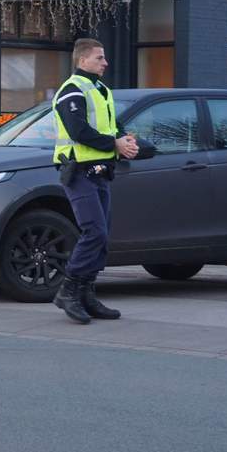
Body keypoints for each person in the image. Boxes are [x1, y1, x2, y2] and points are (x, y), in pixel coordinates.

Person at [51, 38, 139, 324]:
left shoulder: (101, 90)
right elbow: (78, 131)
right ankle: (68, 291)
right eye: (100, 58)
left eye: (104, 58)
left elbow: (114, 126)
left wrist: (126, 140)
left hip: (100, 171)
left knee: (101, 237)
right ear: (83, 60)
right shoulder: (71, 90)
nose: (106, 63)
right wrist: (115, 144)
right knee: (94, 232)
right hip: (78, 171)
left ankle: (86, 294)